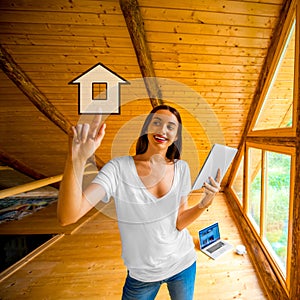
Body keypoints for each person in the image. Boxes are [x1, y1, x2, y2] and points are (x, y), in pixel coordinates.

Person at [57, 105, 220, 300]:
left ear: (176, 136)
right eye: (156, 123)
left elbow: (179, 222)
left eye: (170, 126)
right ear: (146, 129)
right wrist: (77, 159)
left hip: (183, 263)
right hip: (143, 275)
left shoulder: (182, 168)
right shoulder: (118, 169)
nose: (162, 130)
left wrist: (204, 204)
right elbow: (68, 216)